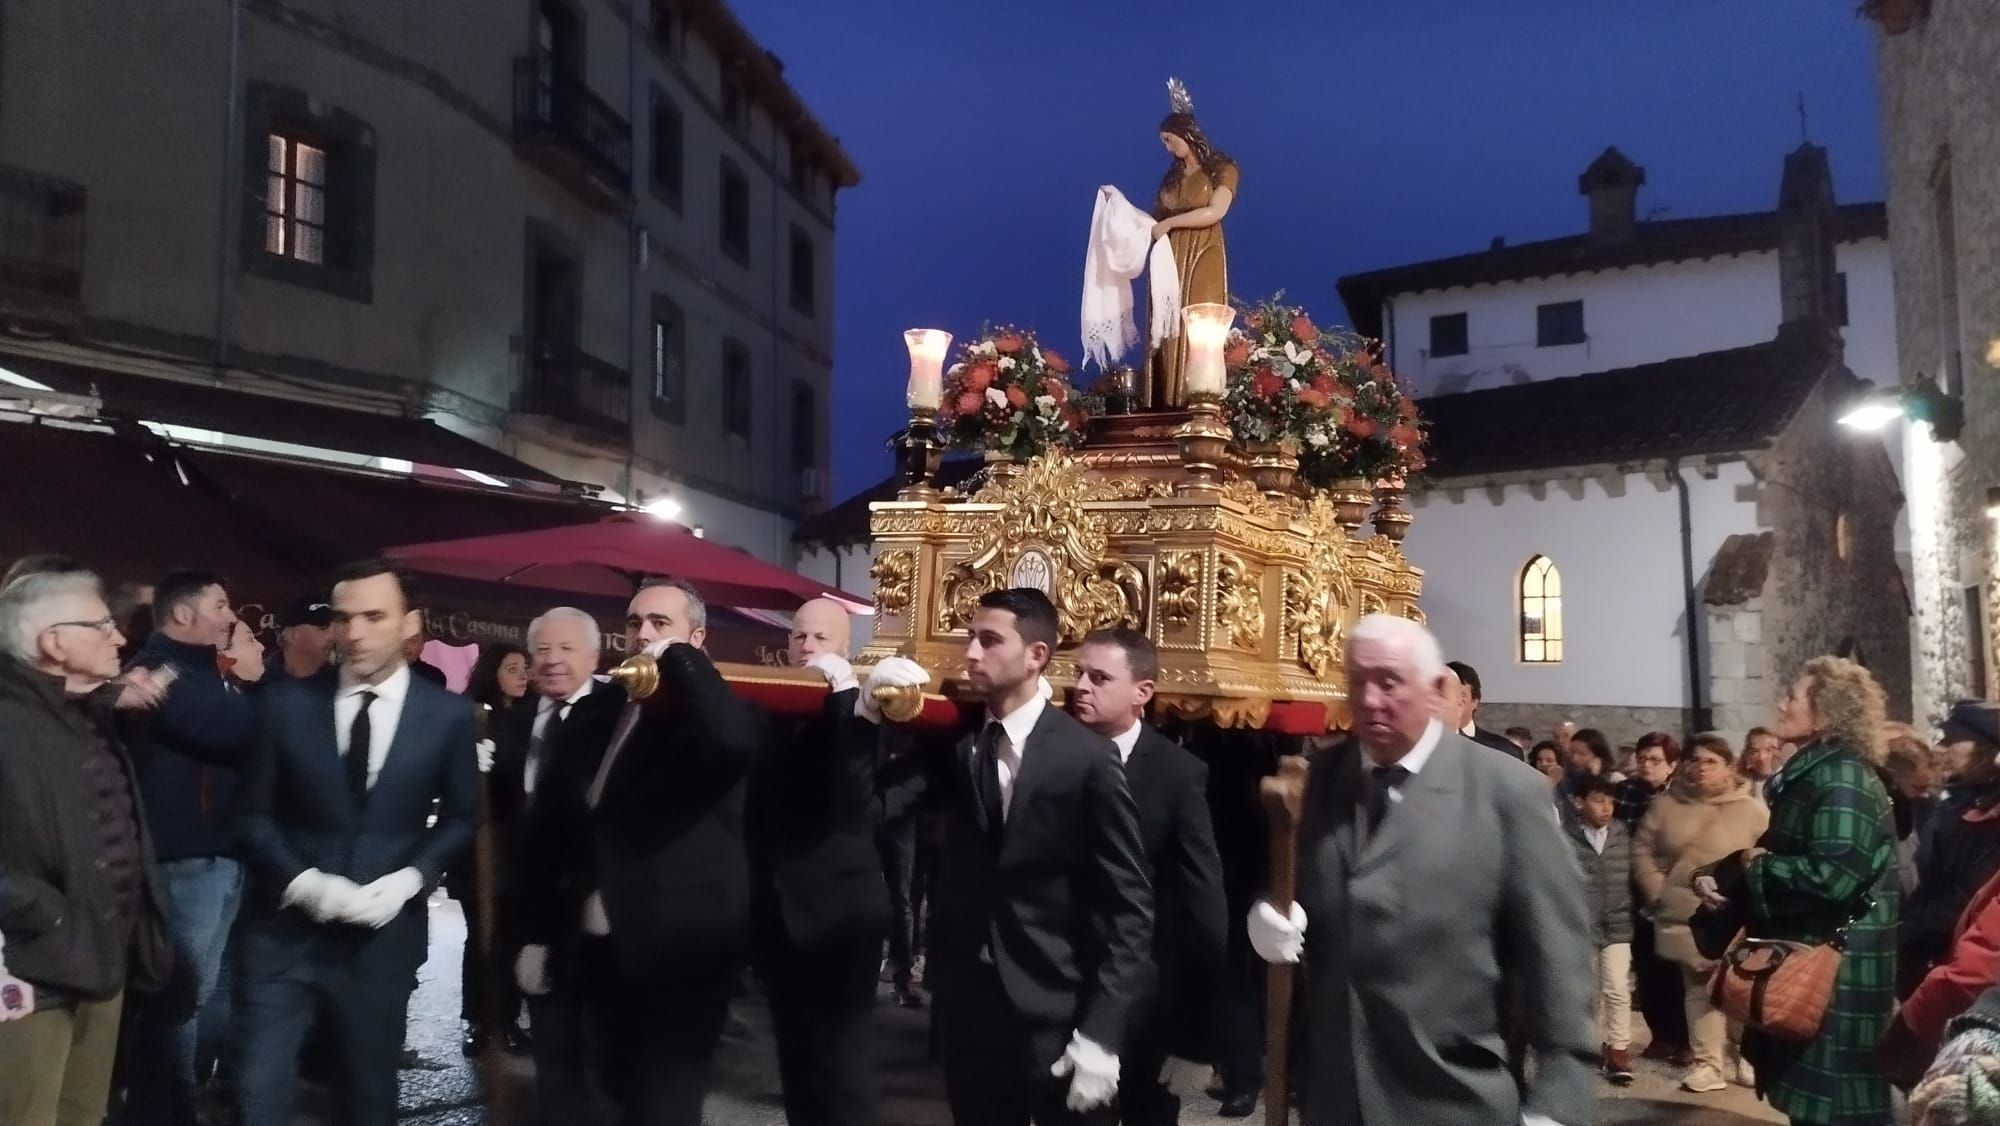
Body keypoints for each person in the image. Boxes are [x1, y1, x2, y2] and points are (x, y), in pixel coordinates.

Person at [1247, 613, 1594, 1125]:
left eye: (1389, 682)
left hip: (1451, 1096)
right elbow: (1293, 894)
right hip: (1335, 1100)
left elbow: (1556, 956)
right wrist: (1265, 917)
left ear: (1435, 689)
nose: (1369, 700)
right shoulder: (1316, 783)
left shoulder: (1505, 791)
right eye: (1358, 682)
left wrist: (1558, 1101)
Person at [865, 588, 1154, 1126]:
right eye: (970, 638)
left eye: (990, 641)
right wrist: (863, 717)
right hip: (966, 1004)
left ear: (1036, 655)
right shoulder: (956, 741)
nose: (971, 653)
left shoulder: (1086, 758)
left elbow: (1129, 908)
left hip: (1053, 1003)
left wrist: (1103, 1033)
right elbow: (872, 809)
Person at [232, 559, 479, 1126]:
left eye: (375, 616)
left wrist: (410, 881)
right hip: (282, 936)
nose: (357, 633)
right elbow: (249, 815)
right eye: (344, 618)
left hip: (381, 943)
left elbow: (463, 818)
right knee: (257, 1093)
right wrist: (303, 883)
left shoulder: (447, 716)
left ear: (410, 623)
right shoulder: (283, 705)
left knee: (367, 1098)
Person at [514, 578, 761, 1126]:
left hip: (681, 942)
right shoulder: (601, 708)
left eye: (660, 624)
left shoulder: (717, 708)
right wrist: (534, 930)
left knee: (666, 1099)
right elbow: (551, 827)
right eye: (634, 623)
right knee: (617, 1080)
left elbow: (733, 744)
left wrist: (680, 662)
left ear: (696, 638)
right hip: (600, 939)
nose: (643, 634)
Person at [0, 568, 174, 1126]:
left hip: (103, 958)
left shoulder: (82, 713)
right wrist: (47, 915)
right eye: (101, 625)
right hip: (30, 969)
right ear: (54, 642)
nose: (119, 636)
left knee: (84, 1114)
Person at [1699, 656, 1899, 1126]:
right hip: (1814, 961)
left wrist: (1759, 866)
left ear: (1827, 712)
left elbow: (1831, 877)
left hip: (1837, 975)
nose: (1781, 703)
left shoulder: (1842, 778)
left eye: (1793, 696)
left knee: (1838, 1112)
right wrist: (1730, 871)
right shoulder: (1819, 772)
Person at [122, 569, 265, 1125]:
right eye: (221, 605)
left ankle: (183, 1101)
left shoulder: (204, 672)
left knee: (206, 994)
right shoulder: (161, 673)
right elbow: (238, 733)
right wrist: (254, 681)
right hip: (187, 859)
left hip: (220, 855)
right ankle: (163, 1110)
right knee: (178, 999)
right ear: (183, 615)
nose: (232, 618)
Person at [1071, 628, 1226, 1126]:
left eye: (1099, 677)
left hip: (1146, 988)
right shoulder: (1050, 754)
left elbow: (1204, 904)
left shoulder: (1178, 774)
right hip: (1062, 977)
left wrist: (1196, 1037)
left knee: (1147, 1113)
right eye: (1077, 673)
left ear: (1143, 693)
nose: (1080, 686)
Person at [746, 597, 890, 1126]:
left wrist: (844, 696)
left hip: (841, 915)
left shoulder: (863, 709)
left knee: (844, 1068)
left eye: (820, 638)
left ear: (845, 648)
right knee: (798, 1062)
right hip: (783, 913)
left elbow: (849, 794)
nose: (806, 647)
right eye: (798, 637)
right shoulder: (773, 710)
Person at [1633, 733, 1769, 1092]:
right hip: (1684, 912)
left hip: (1738, 914)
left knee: (1739, 988)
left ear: (1729, 766)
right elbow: (1644, 850)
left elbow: (1768, 852)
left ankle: (1744, 1057)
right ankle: (1708, 1062)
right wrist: (1658, 891)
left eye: (1711, 761)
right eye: (1695, 759)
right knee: (1697, 988)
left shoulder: (1752, 809)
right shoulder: (1666, 805)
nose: (1701, 767)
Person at [446, 640, 532, 1057]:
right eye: (512, 667)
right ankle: (478, 1020)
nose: (522, 674)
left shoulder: (535, 717)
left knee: (513, 935)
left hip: (519, 845)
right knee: (482, 935)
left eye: (525, 667)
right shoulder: (472, 716)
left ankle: (509, 1019)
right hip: (480, 844)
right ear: (492, 672)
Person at [1144, 79, 1238, 408]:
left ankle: (1198, 398)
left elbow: (1216, 211)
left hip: (1203, 250)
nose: (1168, 148)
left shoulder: (1221, 169)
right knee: (1168, 326)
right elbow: (1152, 219)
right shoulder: (1170, 178)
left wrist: (1170, 223)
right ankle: (1166, 401)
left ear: (1187, 135)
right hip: (1168, 256)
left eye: (1170, 140)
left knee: (1199, 321)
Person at [1567, 776, 1635, 1086]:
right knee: (1587, 992)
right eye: (1598, 800)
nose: (1606, 808)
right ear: (1579, 802)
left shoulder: (1622, 833)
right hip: (1581, 925)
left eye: (1610, 801)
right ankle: (1588, 1046)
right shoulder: (1566, 835)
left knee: (1618, 988)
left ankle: (1619, 1049)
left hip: (1618, 921)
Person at [1444, 660, 1523, 760]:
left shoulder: (1504, 750)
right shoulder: (1423, 746)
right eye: (1443, 693)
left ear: (1475, 702)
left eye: (1460, 694)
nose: (1452, 700)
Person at [271, 595, 334, 682]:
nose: (332, 636)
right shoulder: (260, 685)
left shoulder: (340, 680)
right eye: (322, 629)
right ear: (291, 635)